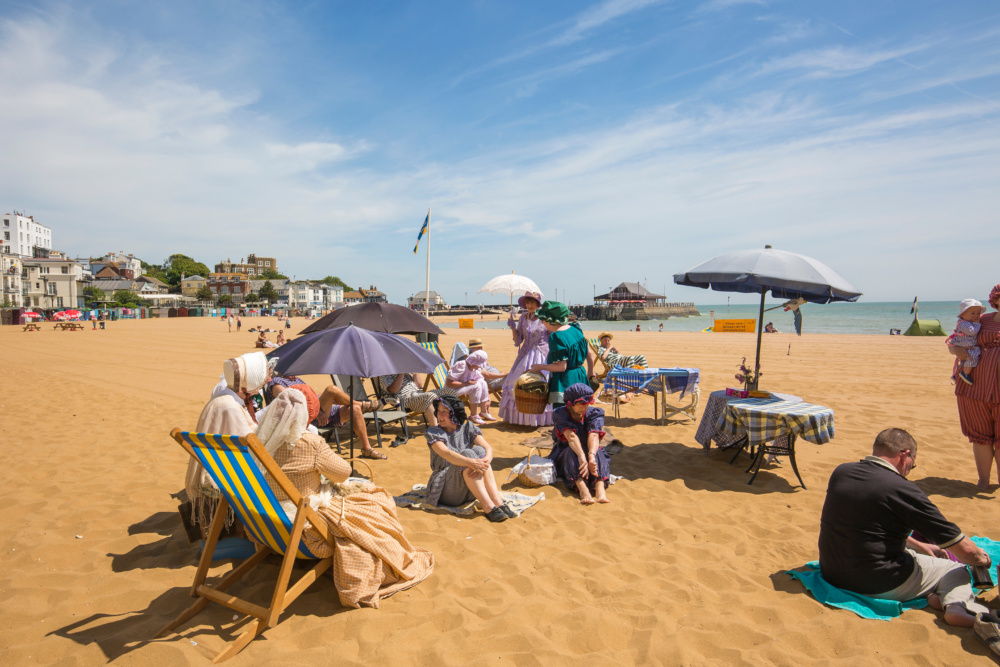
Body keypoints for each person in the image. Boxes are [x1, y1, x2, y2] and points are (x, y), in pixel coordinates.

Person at [254, 389, 434, 608]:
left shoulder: (258, 441)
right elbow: (342, 473)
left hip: (266, 523)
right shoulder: (308, 443)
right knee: (376, 502)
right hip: (306, 529)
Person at [818, 428, 990, 628]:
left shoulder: (842, 472)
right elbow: (965, 550)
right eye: (912, 464)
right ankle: (956, 608)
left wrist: (918, 545)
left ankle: (936, 596)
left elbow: (868, 525)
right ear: (905, 454)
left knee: (920, 556)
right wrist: (982, 559)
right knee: (956, 570)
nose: (909, 469)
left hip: (831, 572)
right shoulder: (902, 489)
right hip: (876, 581)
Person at [183, 352, 270, 538]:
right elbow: (251, 449)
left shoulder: (221, 399)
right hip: (224, 480)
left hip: (213, 468)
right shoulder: (230, 407)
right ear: (248, 382)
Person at [423, 395, 513, 522]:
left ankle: (498, 503)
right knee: (468, 454)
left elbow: (488, 448)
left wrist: (483, 462)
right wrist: (471, 463)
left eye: (444, 412)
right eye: (438, 411)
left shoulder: (468, 428)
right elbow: (446, 453)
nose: (439, 415)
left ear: (454, 413)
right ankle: (488, 507)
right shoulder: (434, 432)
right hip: (446, 490)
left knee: (480, 451)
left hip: (469, 489)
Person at [267, 375, 387, 459]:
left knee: (354, 409)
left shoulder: (297, 379)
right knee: (331, 389)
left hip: (322, 412)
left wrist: (333, 400)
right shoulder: (277, 382)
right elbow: (290, 401)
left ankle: (367, 449)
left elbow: (313, 395)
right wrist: (318, 412)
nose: (294, 373)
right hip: (308, 417)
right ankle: (365, 405)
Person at [952, 284, 1000, 489]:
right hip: (976, 386)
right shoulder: (982, 320)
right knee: (980, 436)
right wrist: (954, 350)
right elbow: (959, 339)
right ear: (995, 300)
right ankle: (983, 481)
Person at [549, 383, 612, 505]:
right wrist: (582, 457)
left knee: (598, 452)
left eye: (586, 403)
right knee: (571, 453)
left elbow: (594, 434)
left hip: (588, 447)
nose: (584, 407)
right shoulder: (560, 414)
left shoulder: (594, 413)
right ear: (570, 403)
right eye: (579, 404)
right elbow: (571, 436)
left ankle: (600, 487)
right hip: (567, 448)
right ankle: (582, 487)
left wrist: (591, 455)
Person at [499, 291, 553, 426]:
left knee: (539, 384)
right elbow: (518, 341)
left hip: (541, 355)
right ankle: (520, 418)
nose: (529, 305)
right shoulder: (523, 317)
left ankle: (538, 418)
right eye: (527, 302)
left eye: (532, 302)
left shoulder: (544, 317)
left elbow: (553, 335)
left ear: (538, 304)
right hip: (525, 355)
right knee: (516, 382)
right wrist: (512, 327)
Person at [530, 301, 595, 408]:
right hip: (581, 376)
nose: (542, 323)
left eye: (543, 319)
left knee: (564, 414)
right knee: (580, 411)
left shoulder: (556, 337)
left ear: (551, 319)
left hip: (565, 382)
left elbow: (561, 367)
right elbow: (590, 354)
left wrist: (539, 367)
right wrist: (590, 373)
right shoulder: (576, 328)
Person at [377, 372, 454, 427]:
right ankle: (435, 430)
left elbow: (419, 386)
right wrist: (401, 373)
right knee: (430, 396)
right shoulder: (384, 373)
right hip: (405, 399)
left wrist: (415, 372)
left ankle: (449, 422)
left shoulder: (405, 370)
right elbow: (393, 390)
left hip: (418, 394)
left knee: (450, 392)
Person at [446, 350, 494, 424]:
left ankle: (484, 412)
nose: (479, 366)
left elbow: (479, 379)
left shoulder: (473, 368)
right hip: (450, 391)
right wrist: (465, 383)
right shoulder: (461, 365)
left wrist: (488, 398)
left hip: (461, 388)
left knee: (483, 382)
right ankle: (474, 415)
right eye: (478, 364)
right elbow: (449, 383)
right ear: (473, 362)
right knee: (476, 386)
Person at [948, 299, 983, 385]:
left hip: (965, 344)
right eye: (973, 313)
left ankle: (957, 374)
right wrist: (977, 324)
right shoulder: (964, 323)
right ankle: (965, 373)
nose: (976, 316)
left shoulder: (967, 322)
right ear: (963, 314)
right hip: (962, 344)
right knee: (972, 357)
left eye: (978, 313)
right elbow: (972, 331)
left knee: (971, 356)